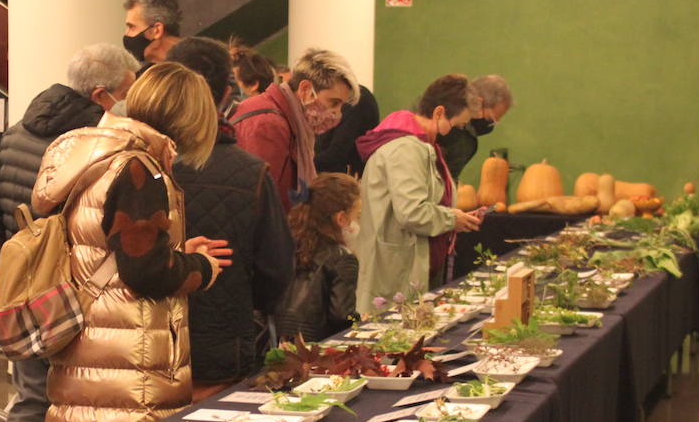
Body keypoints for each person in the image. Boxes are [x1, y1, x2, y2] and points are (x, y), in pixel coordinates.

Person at [32, 62, 230, 422]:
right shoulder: (141, 170)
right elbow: (145, 274)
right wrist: (201, 267)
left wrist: (173, 248)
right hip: (129, 361)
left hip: (88, 343)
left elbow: (112, 249)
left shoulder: (91, 153)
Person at [0, 43, 139, 422]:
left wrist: (4, 278)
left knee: (29, 400)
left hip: (27, 295)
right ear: (102, 94)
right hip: (75, 297)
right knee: (81, 405)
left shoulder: (18, 130)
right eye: (127, 90)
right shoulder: (94, 147)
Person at [167, 36, 294, 397]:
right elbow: (276, 268)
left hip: (136, 350)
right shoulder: (249, 172)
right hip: (220, 344)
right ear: (227, 93)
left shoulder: (126, 160)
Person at [354, 74, 482, 312]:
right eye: (459, 124)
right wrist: (451, 218)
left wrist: (453, 217)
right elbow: (412, 212)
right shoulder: (406, 150)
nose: (459, 131)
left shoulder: (423, 146)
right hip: (394, 273)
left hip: (408, 266)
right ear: (439, 112)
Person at [233, 46, 358, 211]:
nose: (337, 113)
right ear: (305, 89)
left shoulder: (290, 122)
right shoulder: (269, 124)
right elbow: (257, 204)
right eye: (333, 102)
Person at [275, 173, 361, 343]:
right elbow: (342, 316)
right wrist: (357, 320)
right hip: (317, 348)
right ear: (341, 218)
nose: (356, 223)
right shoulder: (343, 258)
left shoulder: (286, 245)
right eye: (357, 216)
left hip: (275, 342)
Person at [440, 74, 512, 181]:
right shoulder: (445, 123)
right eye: (491, 119)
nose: (491, 124)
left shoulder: (467, 135)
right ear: (477, 103)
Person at [314, 85, 380, 178]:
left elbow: (337, 153)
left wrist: (303, 163)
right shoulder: (345, 97)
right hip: (337, 177)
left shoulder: (356, 99)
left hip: (343, 180)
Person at [122, 0, 183, 64]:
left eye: (132, 27)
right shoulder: (144, 74)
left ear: (157, 30)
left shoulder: (198, 70)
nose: (126, 34)